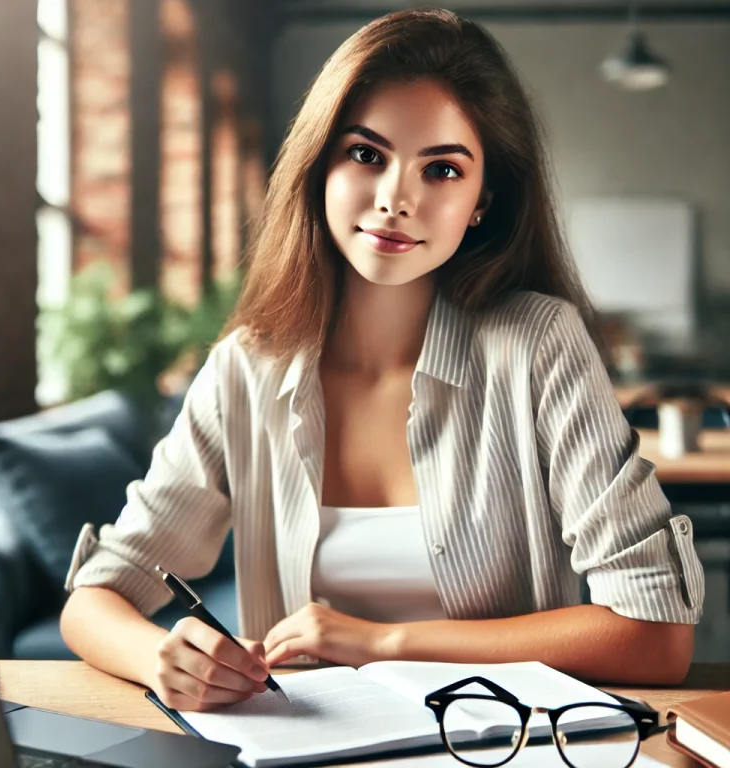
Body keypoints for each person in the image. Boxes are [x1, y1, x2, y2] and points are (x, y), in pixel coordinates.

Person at [60, 8, 704, 712]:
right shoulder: (245, 369)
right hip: (302, 752)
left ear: (481, 201)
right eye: (367, 154)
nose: (397, 199)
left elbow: (656, 634)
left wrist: (380, 641)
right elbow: (95, 599)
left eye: (442, 169)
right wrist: (162, 658)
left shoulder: (538, 346)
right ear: (320, 166)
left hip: (502, 746)